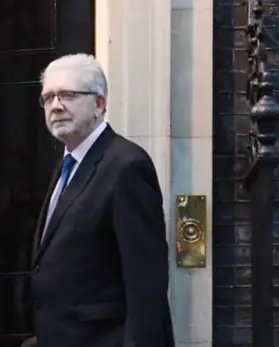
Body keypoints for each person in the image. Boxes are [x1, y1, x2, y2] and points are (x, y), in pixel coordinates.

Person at [31, 54, 174, 347]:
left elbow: (145, 281)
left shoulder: (126, 165)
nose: (55, 106)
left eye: (68, 95)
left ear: (99, 104)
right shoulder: (65, 166)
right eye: (48, 98)